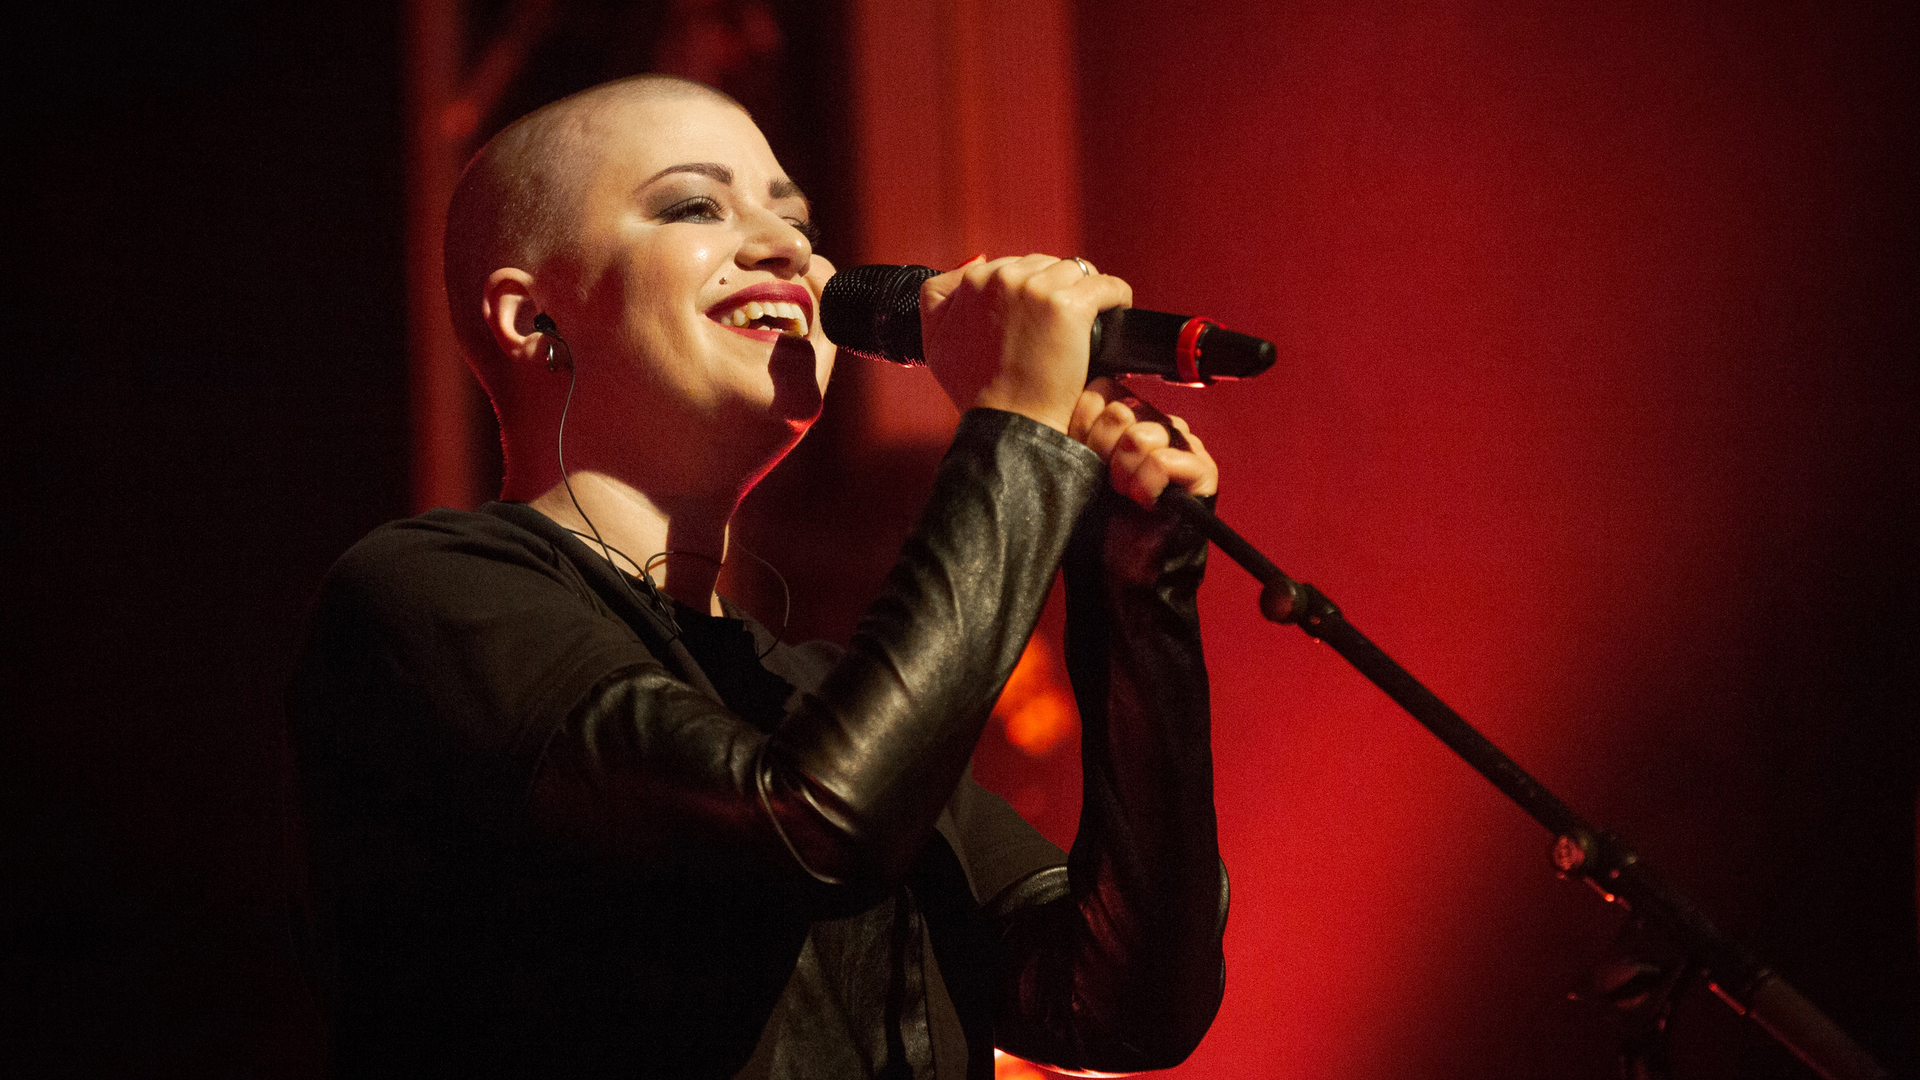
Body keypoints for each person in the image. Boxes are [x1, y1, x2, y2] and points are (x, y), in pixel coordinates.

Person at [290, 74, 1227, 1079]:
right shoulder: (424, 598)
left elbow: (1121, 1003)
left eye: (797, 220)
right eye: (696, 206)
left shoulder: (817, 698)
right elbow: (812, 823)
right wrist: (1013, 430)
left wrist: (1134, 590)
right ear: (530, 317)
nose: (787, 246)